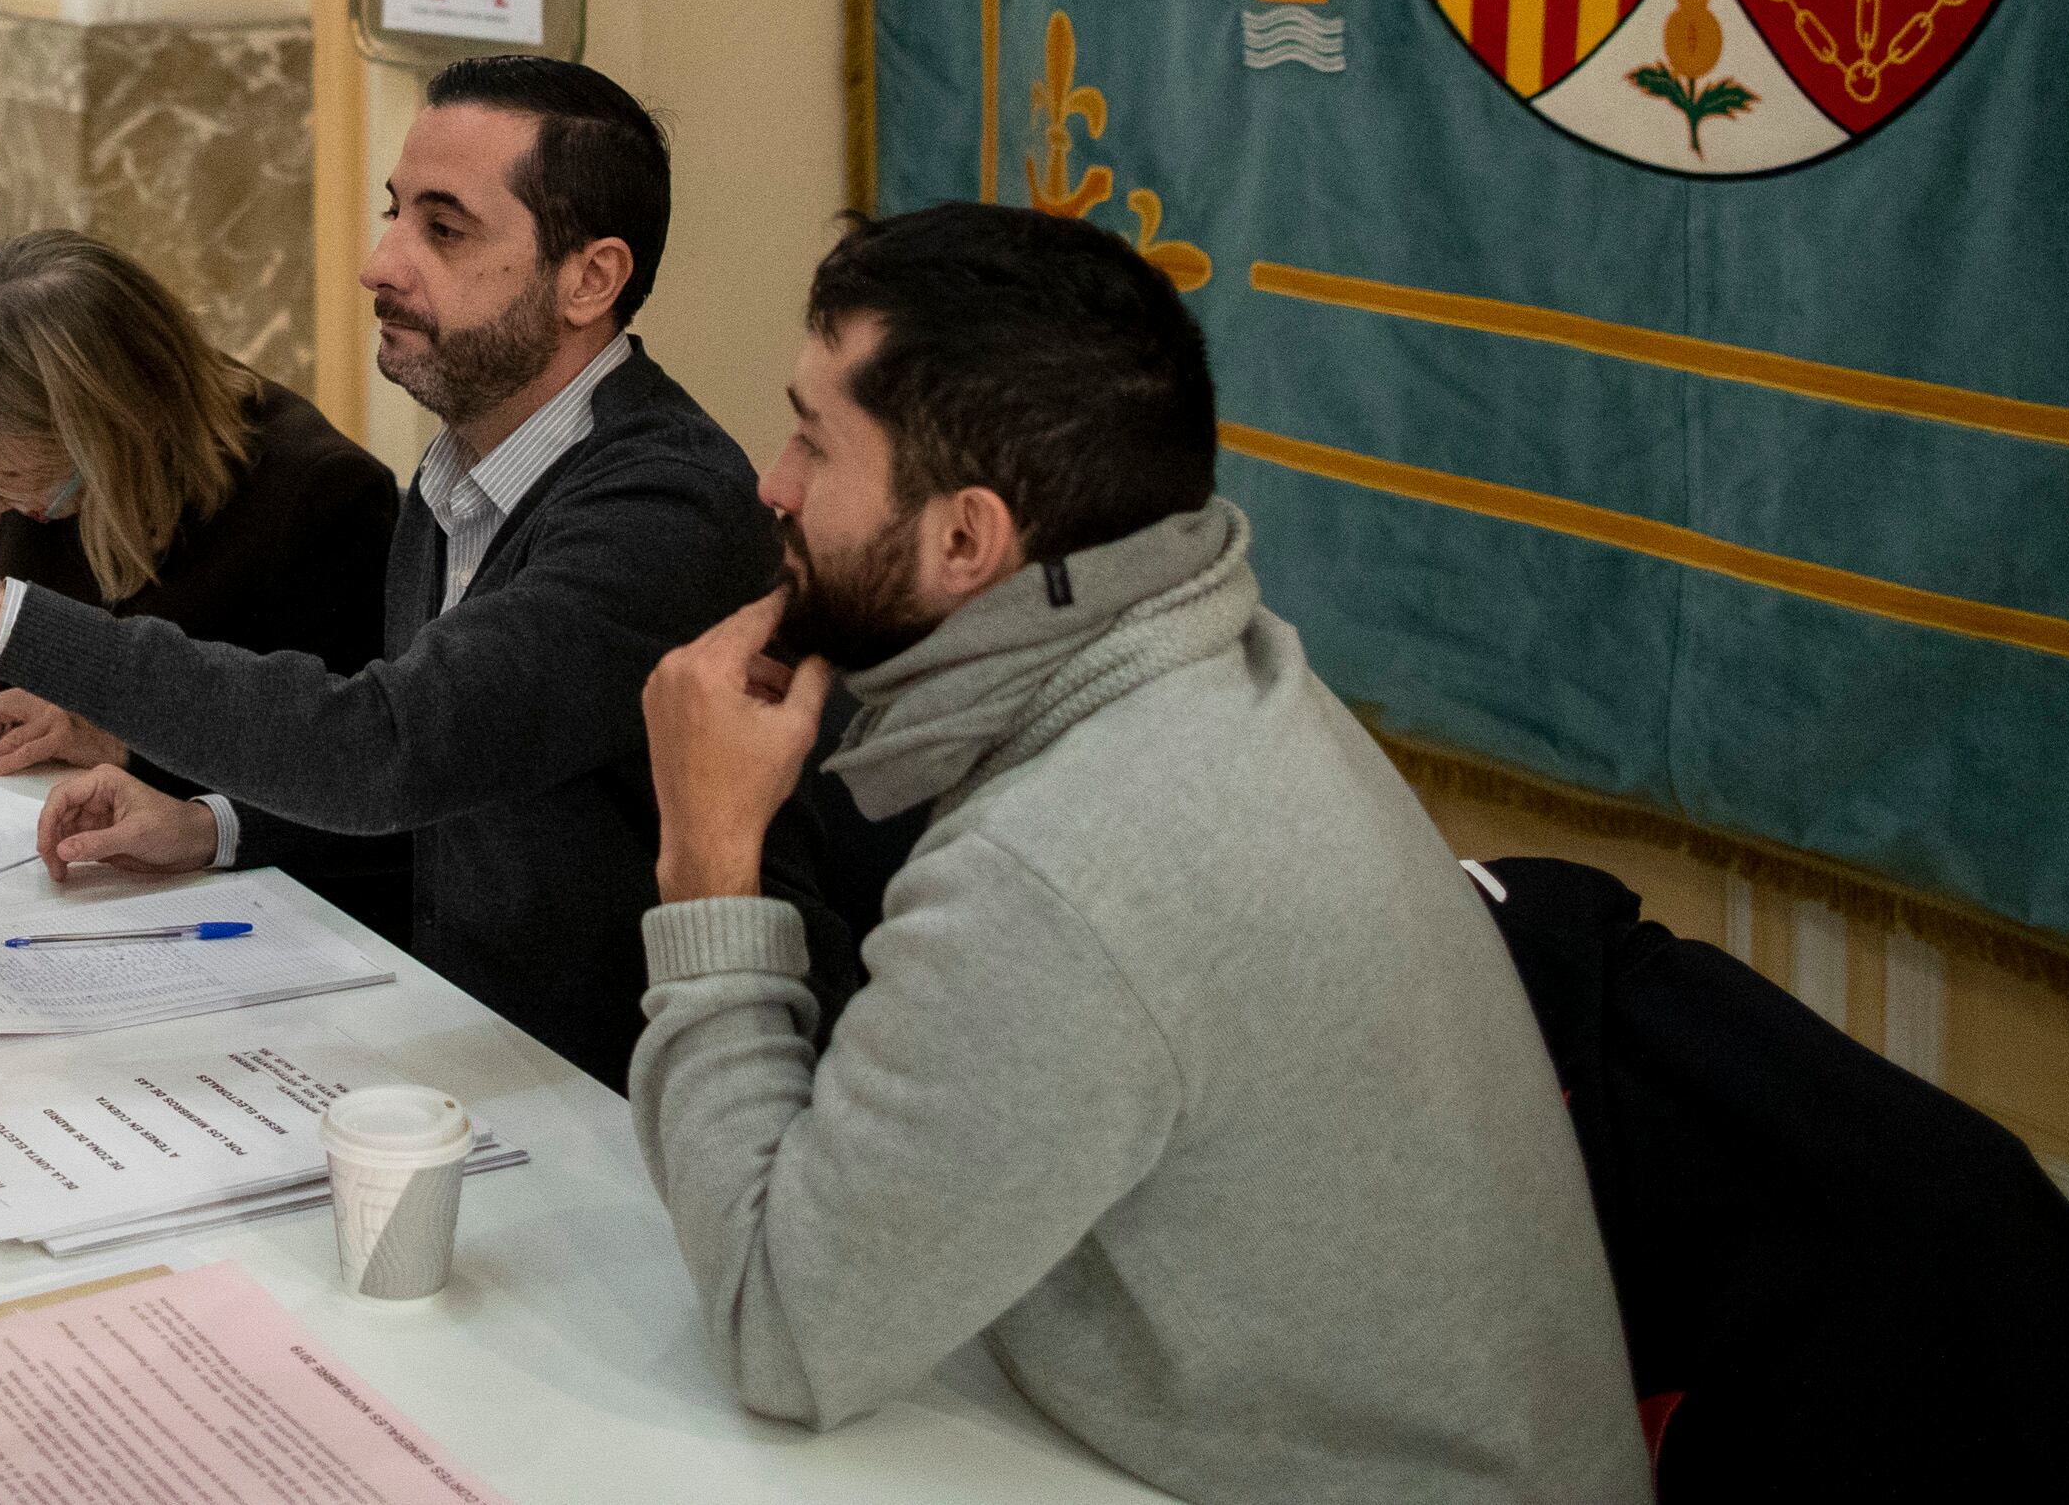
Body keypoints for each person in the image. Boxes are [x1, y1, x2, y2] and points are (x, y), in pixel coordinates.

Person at [627, 201, 1644, 1502]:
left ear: (964, 539)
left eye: (813, 442)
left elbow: (781, 1333)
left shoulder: (1063, 863)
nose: (769, 482)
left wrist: (708, 860)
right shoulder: (1207, 667)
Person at [0, 57, 776, 1084]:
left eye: (442, 227)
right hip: (450, 1037)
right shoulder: (461, 475)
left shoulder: (659, 508)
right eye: (393, 215)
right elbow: (449, 795)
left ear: (588, 280)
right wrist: (212, 823)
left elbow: (391, 746)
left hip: (604, 1094)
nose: (378, 263)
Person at [0, 229, 394, 773]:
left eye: (8, 480)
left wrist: (126, 746)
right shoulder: (26, 457)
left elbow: (341, 758)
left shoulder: (322, 499)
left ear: (118, 433)